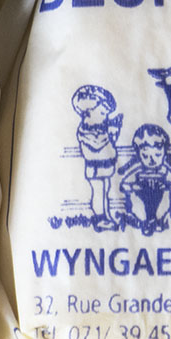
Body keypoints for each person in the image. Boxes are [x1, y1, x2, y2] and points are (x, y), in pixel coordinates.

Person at [71, 85, 123, 231]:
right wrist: (109, 134)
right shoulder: (85, 131)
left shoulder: (98, 128)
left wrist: (113, 132)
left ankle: (105, 216)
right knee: (99, 192)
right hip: (95, 168)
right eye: (102, 113)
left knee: (104, 191)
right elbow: (97, 145)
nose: (106, 117)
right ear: (88, 112)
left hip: (104, 167)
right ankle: (100, 218)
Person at [119, 124, 171, 235]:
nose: (152, 160)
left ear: (164, 153)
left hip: (159, 198)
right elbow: (124, 185)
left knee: (166, 197)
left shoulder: (164, 171)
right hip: (141, 198)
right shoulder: (138, 172)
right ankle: (142, 221)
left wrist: (167, 186)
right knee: (134, 199)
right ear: (139, 155)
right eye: (146, 156)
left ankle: (158, 220)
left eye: (157, 155)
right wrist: (133, 187)